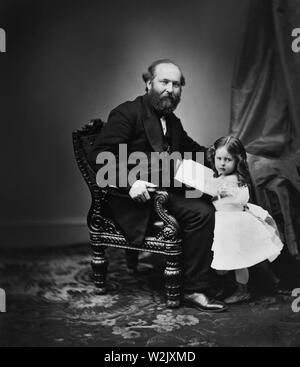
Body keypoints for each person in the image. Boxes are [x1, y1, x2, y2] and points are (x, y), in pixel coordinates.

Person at [89, 59, 227, 312]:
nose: (170, 89)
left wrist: (224, 157)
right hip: (132, 197)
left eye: (176, 85)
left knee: (212, 200)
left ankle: (206, 274)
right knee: (201, 212)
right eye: (164, 82)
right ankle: (194, 290)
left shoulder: (171, 120)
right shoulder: (126, 113)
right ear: (148, 83)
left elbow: (193, 150)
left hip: (164, 191)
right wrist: (131, 182)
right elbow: (100, 156)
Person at [207, 136, 284, 304]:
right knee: (228, 259)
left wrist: (220, 193)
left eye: (228, 160)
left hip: (235, 224)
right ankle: (232, 285)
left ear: (237, 160)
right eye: (219, 158)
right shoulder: (218, 177)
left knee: (241, 260)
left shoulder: (235, 178)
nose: (222, 163)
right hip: (223, 223)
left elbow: (242, 197)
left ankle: (244, 290)